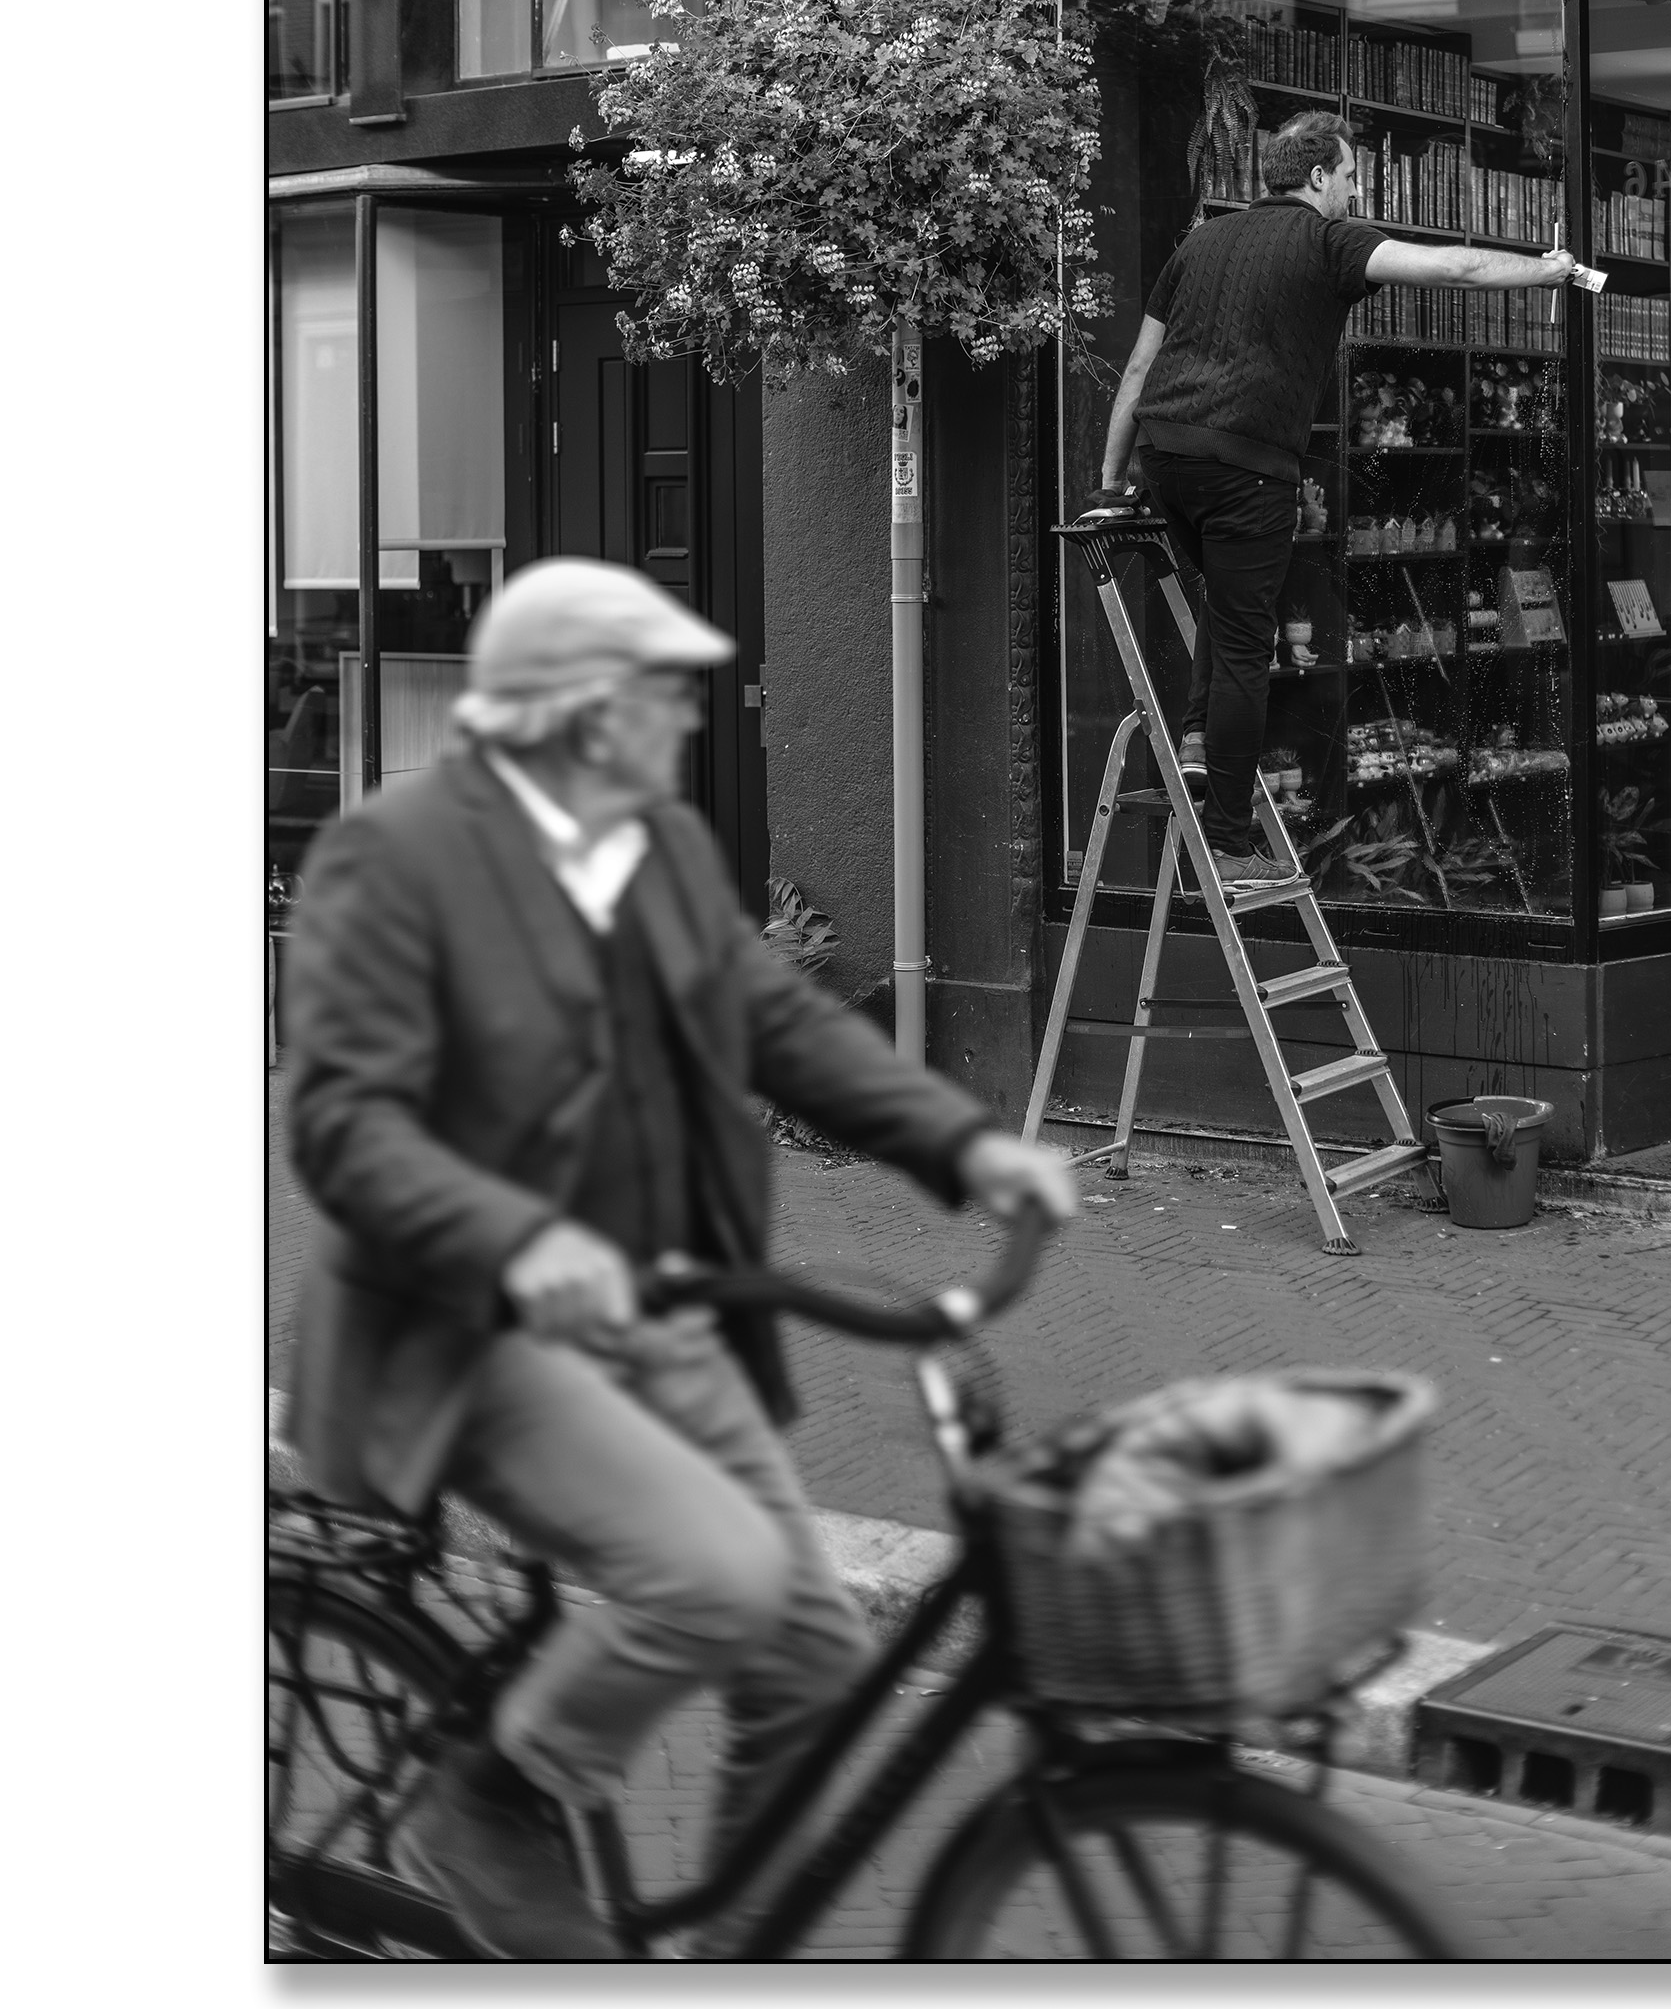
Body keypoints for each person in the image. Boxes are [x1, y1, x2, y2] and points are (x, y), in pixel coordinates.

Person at [279, 556, 1078, 1958]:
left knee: (815, 1662)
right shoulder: (397, 856)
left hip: (669, 1311)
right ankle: (485, 1803)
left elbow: (782, 1024)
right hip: (478, 1332)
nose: (684, 719)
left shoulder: (658, 848)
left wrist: (967, 1148)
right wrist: (521, 1240)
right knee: (717, 1578)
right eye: (659, 693)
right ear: (578, 711)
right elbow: (345, 1124)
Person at [1094, 110, 1587, 885]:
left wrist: (1110, 481)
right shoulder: (1330, 240)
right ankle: (1226, 840)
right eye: (1352, 176)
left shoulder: (1197, 244)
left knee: (1227, 611)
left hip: (1166, 457)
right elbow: (1452, 270)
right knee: (1250, 643)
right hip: (1247, 467)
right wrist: (1547, 270)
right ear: (1319, 177)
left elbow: (1136, 370)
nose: (1357, 189)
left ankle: (1195, 745)